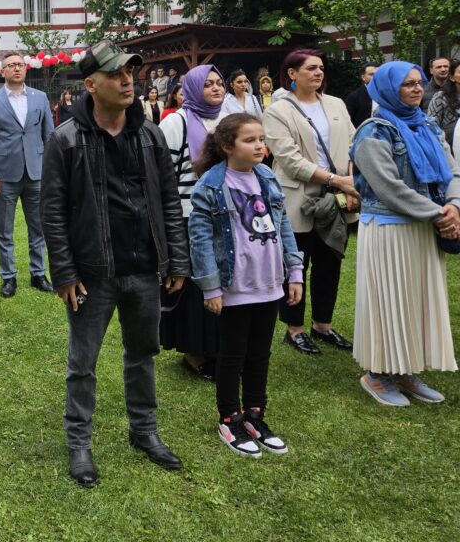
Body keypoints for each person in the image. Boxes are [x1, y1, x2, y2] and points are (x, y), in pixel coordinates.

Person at [42, 40, 189, 487]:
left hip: (144, 267)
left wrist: (175, 259)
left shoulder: (150, 134)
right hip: (93, 273)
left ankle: (144, 431)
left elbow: (168, 200)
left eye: (130, 73)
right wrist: (64, 272)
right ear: (91, 84)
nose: (128, 81)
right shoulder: (65, 138)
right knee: (82, 362)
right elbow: (53, 211)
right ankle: (79, 443)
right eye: (116, 75)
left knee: (143, 354)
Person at [189, 114, 304, 457]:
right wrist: (211, 288)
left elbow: (283, 226)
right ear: (227, 146)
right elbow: (200, 240)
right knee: (232, 355)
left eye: (261, 139)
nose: (259, 146)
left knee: (259, 353)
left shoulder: (267, 177)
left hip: (269, 283)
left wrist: (294, 271)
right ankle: (230, 418)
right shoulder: (210, 185)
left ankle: (255, 415)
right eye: (249, 140)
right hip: (235, 286)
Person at [350, 62, 459, 405]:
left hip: (423, 228)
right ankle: (378, 374)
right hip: (389, 229)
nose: (416, 89)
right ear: (387, 88)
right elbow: (388, 188)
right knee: (389, 301)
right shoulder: (373, 132)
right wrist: (438, 213)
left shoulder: (427, 125)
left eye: (419, 83)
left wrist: (454, 205)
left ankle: (404, 370)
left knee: (416, 301)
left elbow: (453, 170)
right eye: (407, 84)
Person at [262, 49, 360, 355]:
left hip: (337, 197)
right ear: (292, 74)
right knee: (296, 264)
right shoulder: (277, 111)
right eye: (311, 68)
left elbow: (354, 144)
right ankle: (295, 329)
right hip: (298, 196)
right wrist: (338, 181)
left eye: (321, 68)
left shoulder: (336, 104)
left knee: (330, 261)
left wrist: (351, 181)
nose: (318, 73)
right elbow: (289, 160)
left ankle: (322, 325)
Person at [158, 65, 228, 378]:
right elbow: (163, 177)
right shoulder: (177, 122)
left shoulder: (229, 120)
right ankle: (195, 353)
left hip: (227, 217)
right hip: (188, 216)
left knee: (222, 283)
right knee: (195, 290)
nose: (215, 88)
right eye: (207, 84)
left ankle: (219, 348)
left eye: (219, 83)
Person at [0, 52, 55, 297]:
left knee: (39, 227)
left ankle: (38, 273)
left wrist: (51, 171)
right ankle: (9, 277)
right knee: (4, 229)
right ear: (2, 71)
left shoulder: (40, 98)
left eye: (20, 65)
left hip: (37, 173)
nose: (16, 68)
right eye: (11, 65)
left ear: (26, 68)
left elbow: (49, 136)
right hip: (5, 177)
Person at [427, 59, 460, 147]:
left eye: (445, 66)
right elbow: (432, 127)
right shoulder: (440, 97)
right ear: (452, 77)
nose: (443, 69)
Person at [345, 63, 379, 128]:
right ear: (363, 77)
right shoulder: (354, 96)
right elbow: (347, 121)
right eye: (371, 74)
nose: (376, 77)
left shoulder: (387, 95)